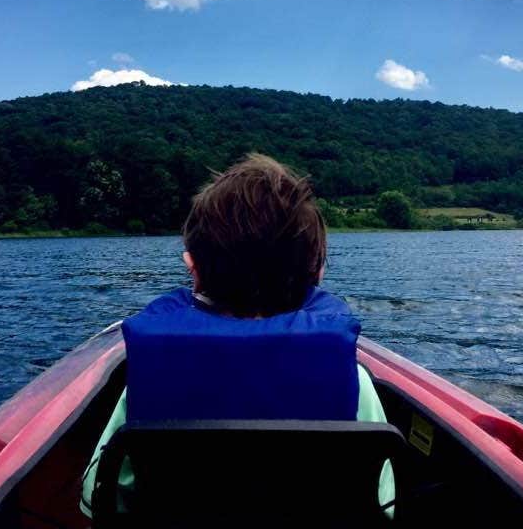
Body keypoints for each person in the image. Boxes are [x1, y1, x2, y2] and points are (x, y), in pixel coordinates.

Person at [80, 153, 394, 517]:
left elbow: (93, 500)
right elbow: (384, 505)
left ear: (193, 269)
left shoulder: (150, 376)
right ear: (317, 271)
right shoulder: (352, 380)